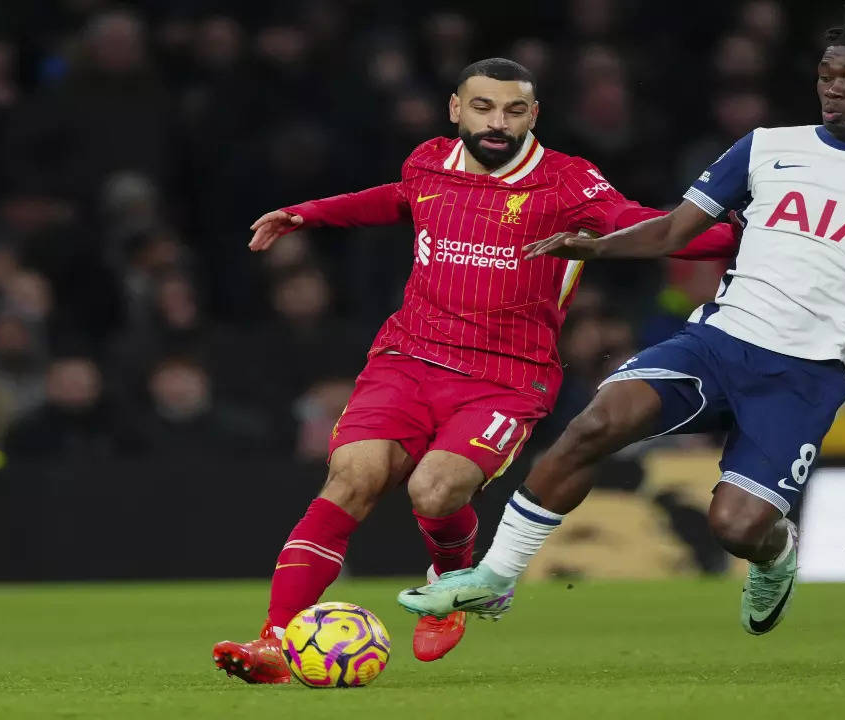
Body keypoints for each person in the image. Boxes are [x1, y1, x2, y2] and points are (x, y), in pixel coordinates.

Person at [400, 17, 845, 638]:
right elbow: (676, 229)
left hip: (805, 373)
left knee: (736, 527)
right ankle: (494, 579)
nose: (833, 88)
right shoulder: (766, 146)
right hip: (718, 342)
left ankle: (777, 550)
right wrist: (595, 248)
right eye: (826, 74)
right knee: (596, 423)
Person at [212, 58, 740, 681]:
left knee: (434, 490)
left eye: (514, 110)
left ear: (533, 116)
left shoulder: (568, 183)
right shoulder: (429, 160)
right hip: (407, 358)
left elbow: (644, 227)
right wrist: (311, 213)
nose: (498, 122)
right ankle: (274, 643)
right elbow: (398, 200)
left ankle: (454, 579)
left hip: (508, 376)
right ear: (456, 109)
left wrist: (743, 236)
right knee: (350, 478)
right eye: (484, 107)